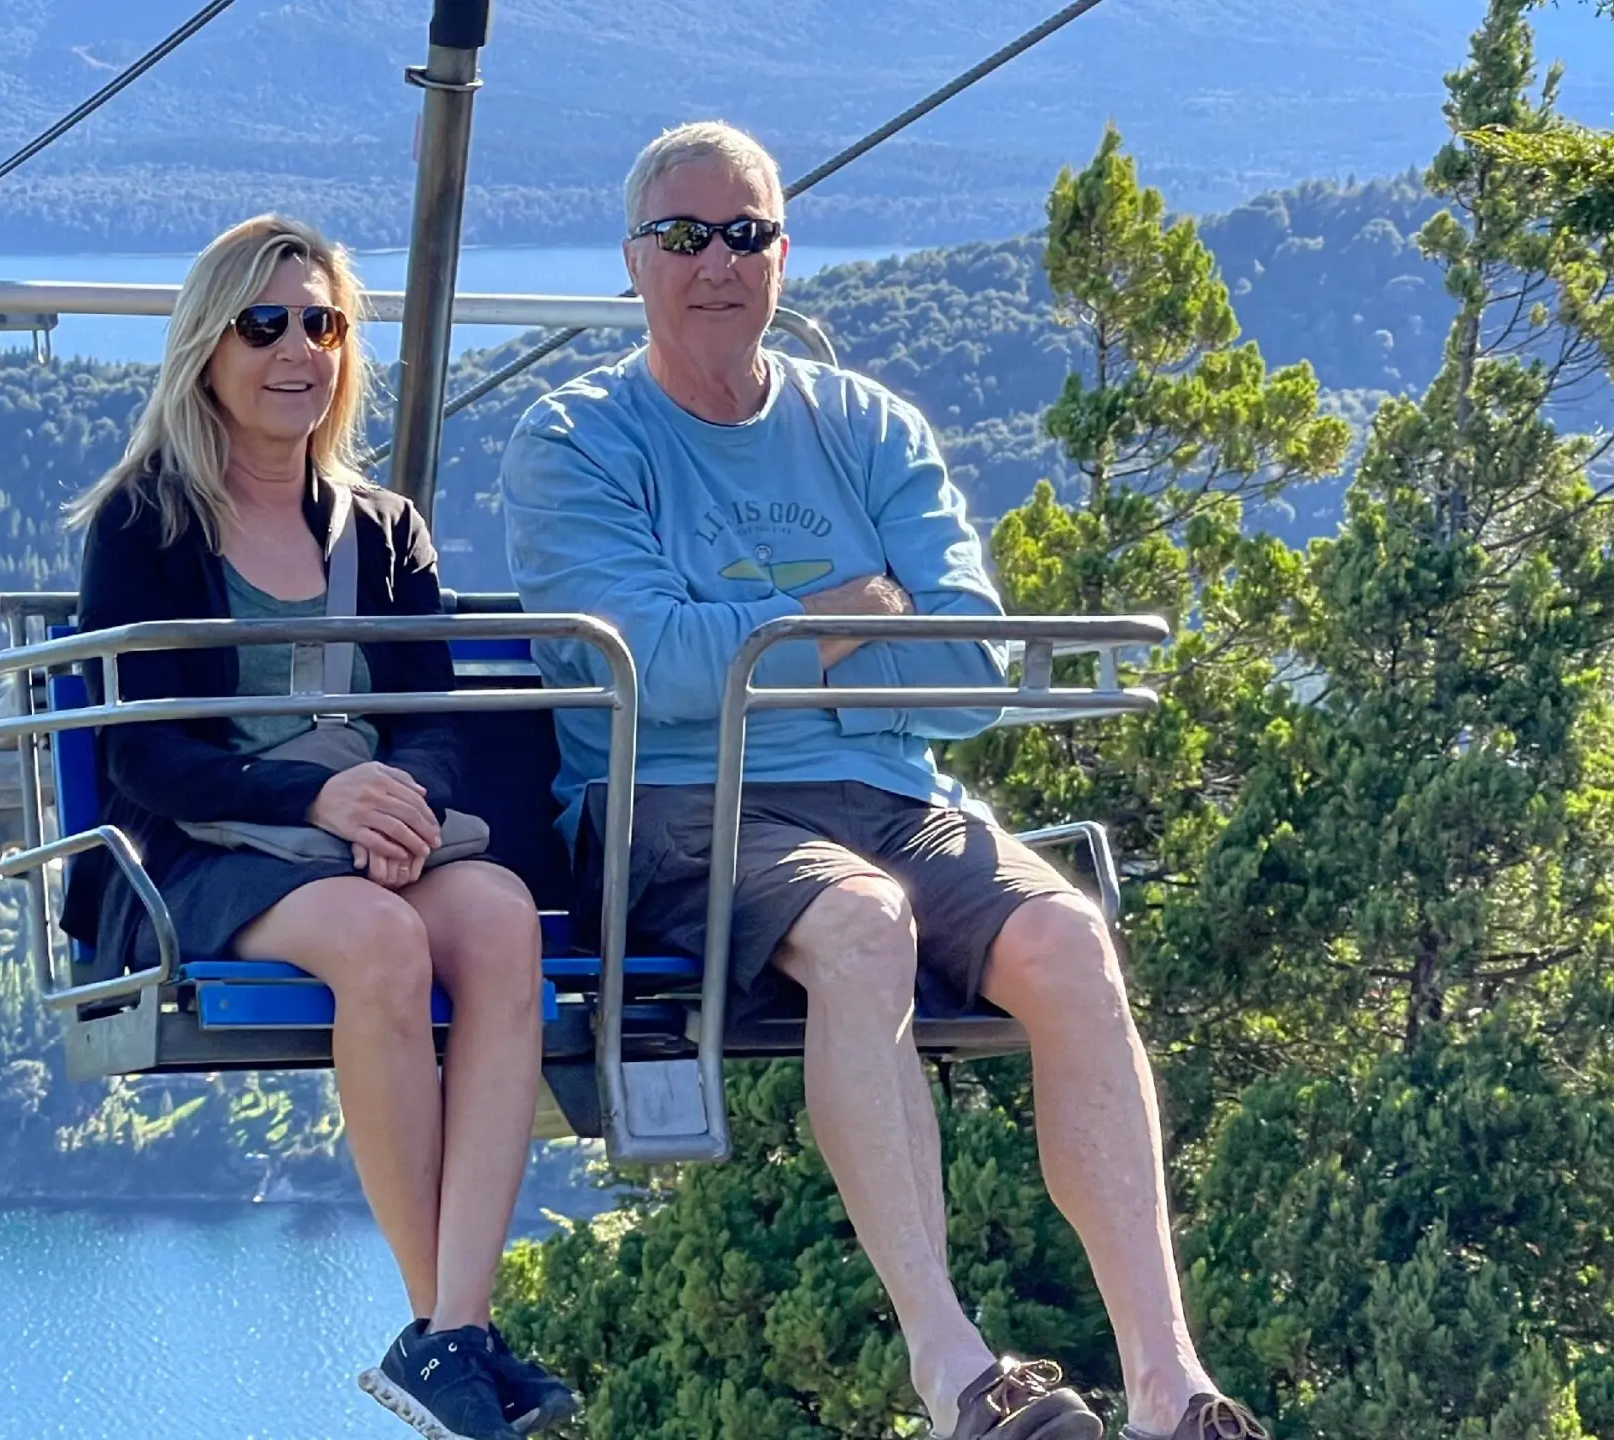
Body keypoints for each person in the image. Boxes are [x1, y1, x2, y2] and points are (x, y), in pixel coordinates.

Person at [500, 123, 1271, 1440]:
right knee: (864, 927)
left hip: (888, 792)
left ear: (783, 256)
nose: (716, 264)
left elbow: (969, 671)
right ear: (636, 262)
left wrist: (780, 644)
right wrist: (853, 615)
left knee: (1072, 945)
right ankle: (954, 1366)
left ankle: (1166, 1383)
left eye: (744, 234)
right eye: (684, 237)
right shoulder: (576, 442)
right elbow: (652, 675)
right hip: (684, 801)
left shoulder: (863, 426)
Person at [63, 215, 578, 1440]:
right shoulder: (148, 526)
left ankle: (456, 1328)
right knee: (380, 946)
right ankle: (442, 1328)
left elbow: (432, 712)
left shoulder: (382, 529)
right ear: (208, 347)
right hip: (203, 847)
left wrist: (400, 802)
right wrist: (314, 799)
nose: (296, 349)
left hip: (364, 831)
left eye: (323, 324)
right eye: (264, 324)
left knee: (502, 922)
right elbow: (143, 751)